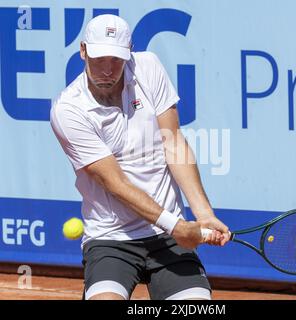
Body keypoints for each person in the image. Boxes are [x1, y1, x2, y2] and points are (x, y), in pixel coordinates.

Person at [50, 14, 230, 300]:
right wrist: (178, 226)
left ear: (130, 52)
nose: (108, 70)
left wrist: (204, 214)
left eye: (117, 60)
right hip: (111, 238)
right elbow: (115, 182)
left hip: (169, 238)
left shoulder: (148, 67)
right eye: (99, 59)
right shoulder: (69, 110)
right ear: (83, 50)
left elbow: (174, 144)